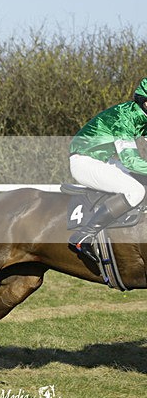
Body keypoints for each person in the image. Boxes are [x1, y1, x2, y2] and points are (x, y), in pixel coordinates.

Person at [68, 77, 147, 261]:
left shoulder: (142, 116)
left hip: (101, 160)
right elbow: (131, 162)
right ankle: (84, 236)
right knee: (135, 191)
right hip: (84, 161)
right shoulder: (125, 118)